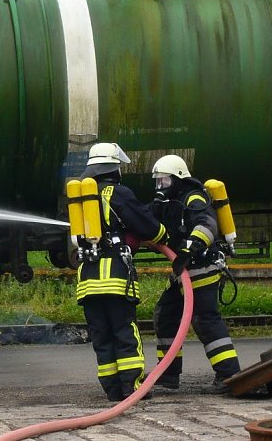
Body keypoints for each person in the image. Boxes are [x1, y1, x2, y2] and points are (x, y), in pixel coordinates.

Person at [76, 142, 168, 402]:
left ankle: (113, 390)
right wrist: (164, 235)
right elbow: (148, 227)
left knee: (101, 336)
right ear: (115, 168)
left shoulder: (81, 197)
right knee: (124, 331)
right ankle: (133, 387)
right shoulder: (118, 193)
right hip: (115, 276)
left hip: (87, 279)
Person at [149, 154, 241, 393]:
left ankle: (229, 375)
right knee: (166, 315)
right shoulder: (169, 201)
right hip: (184, 271)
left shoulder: (194, 197)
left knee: (205, 319)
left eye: (164, 182)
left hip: (202, 266)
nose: (160, 187)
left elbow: (207, 225)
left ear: (179, 179)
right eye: (157, 182)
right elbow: (147, 219)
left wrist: (188, 250)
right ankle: (168, 374)